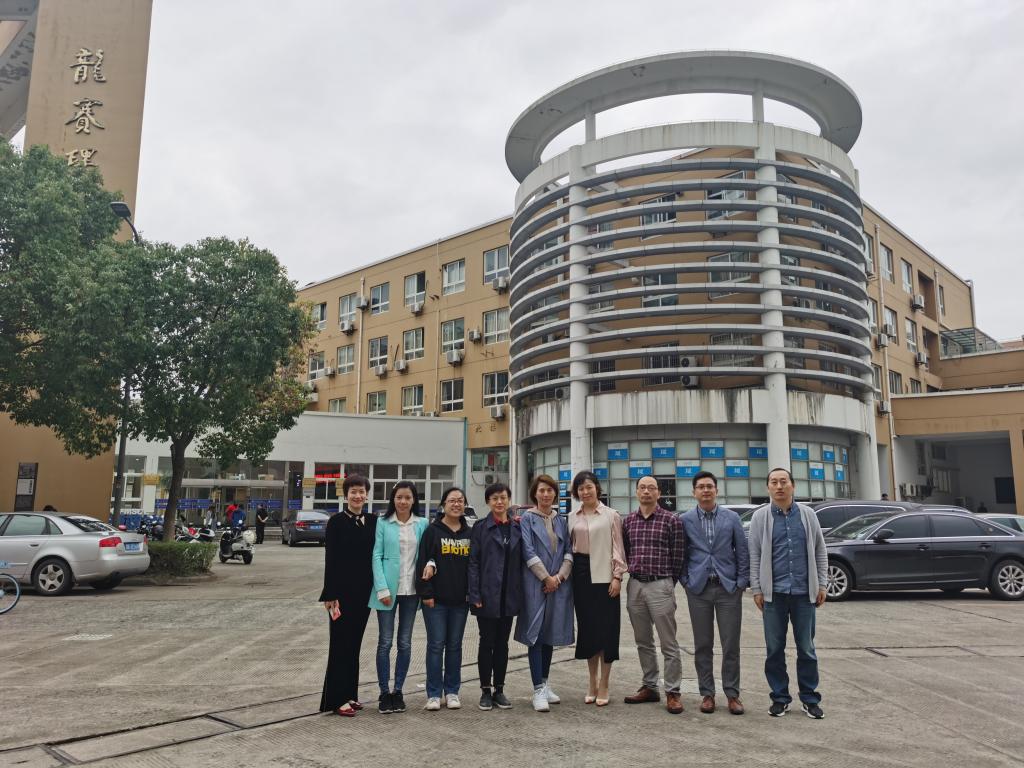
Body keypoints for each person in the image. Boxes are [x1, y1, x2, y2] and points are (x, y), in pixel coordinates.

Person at [748, 467, 828, 719]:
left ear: (793, 485)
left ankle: (810, 698)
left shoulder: (808, 515)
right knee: (774, 649)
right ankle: (780, 698)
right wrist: (757, 588)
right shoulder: (761, 517)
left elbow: (820, 550)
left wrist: (822, 584)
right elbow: (754, 554)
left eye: (784, 481)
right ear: (768, 488)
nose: (779, 486)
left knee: (806, 648)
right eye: (774, 482)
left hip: (804, 593)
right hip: (774, 595)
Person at [679, 471, 749, 715]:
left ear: (716, 490)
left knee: (731, 644)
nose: (706, 490)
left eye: (709, 486)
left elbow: (742, 551)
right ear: (694, 492)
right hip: (698, 589)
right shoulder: (685, 519)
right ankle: (707, 693)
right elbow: (682, 553)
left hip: (728, 589)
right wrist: (686, 581)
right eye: (701, 487)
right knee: (702, 644)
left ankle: (732, 694)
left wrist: (741, 583)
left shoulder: (731, 518)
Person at [621, 475, 686, 714]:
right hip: (635, 585)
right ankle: (650, 686)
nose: (646, 491)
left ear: (659, 493)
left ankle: (673, 691)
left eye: (651, 488)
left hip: (661, 585)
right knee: (643, 640)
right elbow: (626, 552)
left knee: (668, 642)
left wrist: (668, 583)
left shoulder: (671, 520)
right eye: (642, 487)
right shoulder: (628, 521)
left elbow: (678, 556)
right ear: (636, 492)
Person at [514, 474, 574, 712]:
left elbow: (569, 551)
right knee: (536, 635)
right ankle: (537, 689)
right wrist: (546, 578)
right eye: (542, 490)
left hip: (558, 585)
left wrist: (558, 578)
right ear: (534, 494)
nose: (546, 494)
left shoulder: (561, 520)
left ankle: (545, 683)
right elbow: (527, 551)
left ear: (555, 494)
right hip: (536, 585)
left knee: (550, 633)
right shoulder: (527, 519)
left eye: (550, 490)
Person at [319, 474, 377, 717]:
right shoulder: (336, 522)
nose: (358, 496)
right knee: (340, 644)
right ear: (346, 495)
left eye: (362, 491)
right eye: (353, 491)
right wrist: (330, 594)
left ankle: (350, 694)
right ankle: (336, 699)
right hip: (341, 595)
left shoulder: (373, 521)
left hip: (364, 594)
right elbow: (331, 559)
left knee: (354, 644)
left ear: (367, 495)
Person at [567, 470, 626, 707]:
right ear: (576, 492)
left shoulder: (611, 515)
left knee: (607, 630)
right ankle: (592, 681)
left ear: (597, 488)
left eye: (589, 487)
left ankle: (605, 683)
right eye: (581, 488)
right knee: (588, 630)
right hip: (580, 575)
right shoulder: (571, 517)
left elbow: (618, 547)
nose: (585, 491)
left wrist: (617, 577)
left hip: (605, 576)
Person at [370, 481, 429, 715]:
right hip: (387, 592)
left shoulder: (422, 523)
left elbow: (427, 553)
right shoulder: (383, 523)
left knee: (405, 642)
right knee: (385, 642)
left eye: (407, 497)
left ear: (414, 500)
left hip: (411, 591)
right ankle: (384, 692)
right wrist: (382, 588)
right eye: (399, 497)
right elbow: (376, 555)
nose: (403, 501)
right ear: (393, 500)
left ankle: (398, 691)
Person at [468, 482, 523, 711]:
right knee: (486, 642)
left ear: (509, 500)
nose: (499, 502)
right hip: (487, 594)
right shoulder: (481, 527)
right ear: (488, 502)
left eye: (503, 497)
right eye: (494, 498)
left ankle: (499, 689)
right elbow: (473, 562)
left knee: (503, 644)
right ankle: (485, 690)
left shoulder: (518, 527)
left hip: (509, 595)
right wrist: (475, 593)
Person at [417, 486, 472, 712]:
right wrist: (426, 593)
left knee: (455, 646)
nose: (456, 504)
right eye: (452, 500)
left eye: (460, 501)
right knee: (436, 645)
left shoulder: (470, 533)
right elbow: (423, 561)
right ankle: (433, 693)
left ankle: (452, 691)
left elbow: (474, 566)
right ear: (443, 505)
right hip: (436, 602)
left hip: (461, 601)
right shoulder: (432, 531)